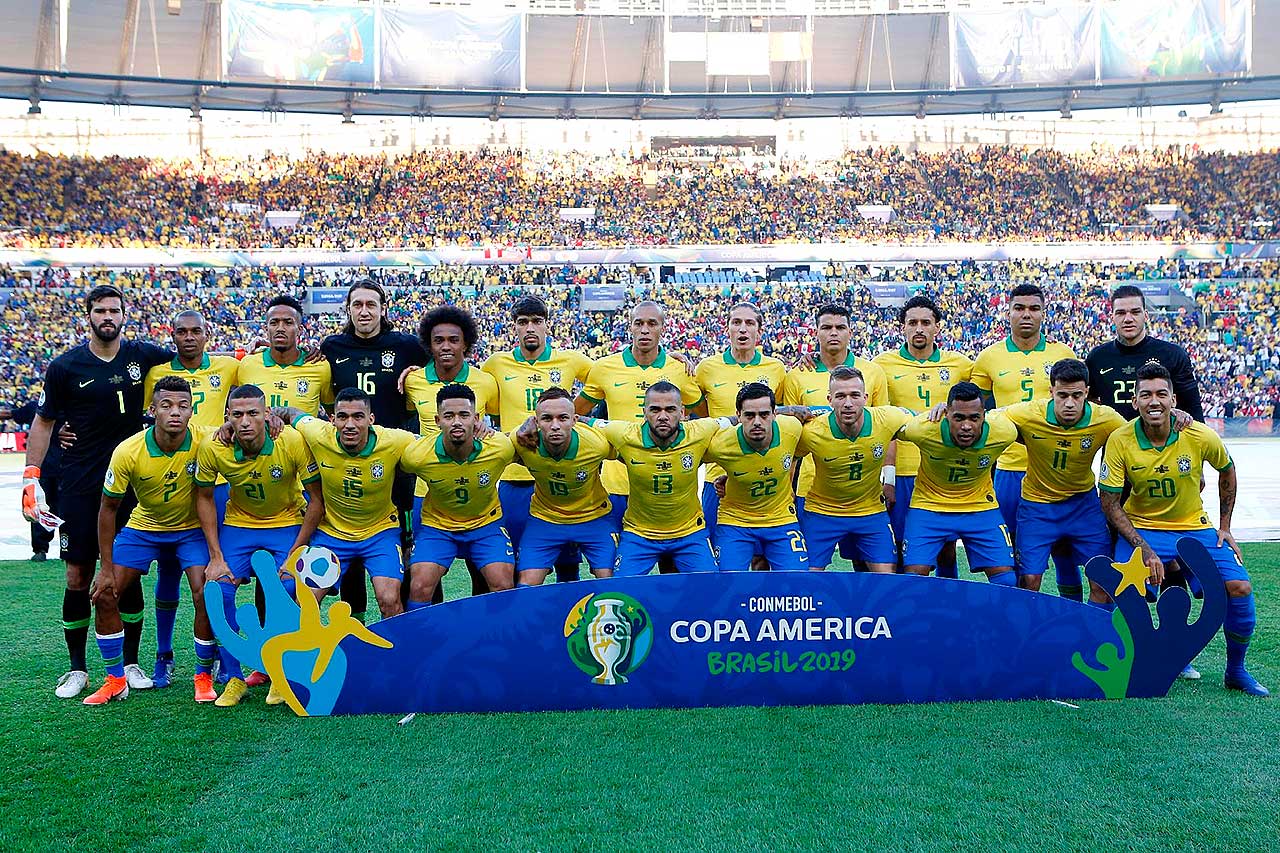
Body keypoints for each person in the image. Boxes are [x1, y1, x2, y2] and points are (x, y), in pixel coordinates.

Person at [22, 284, 173, 699]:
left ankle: (130, 662)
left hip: (131, 485)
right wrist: (30, 477)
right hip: (80, 484)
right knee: (77, 575)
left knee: (129, 572)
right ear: (88, 314)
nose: (108, 316)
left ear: (125, 314)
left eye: (115, 310)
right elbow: (45, 422)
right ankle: (77, 670)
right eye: (100, 310)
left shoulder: (143, 357)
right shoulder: (65, 366)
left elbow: (193, 359)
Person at [1099, 363, 1267, 696]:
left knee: (1240, 587)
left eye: (1161, 394)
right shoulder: (1120, 440)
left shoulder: (1200, 434)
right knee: (1126, 592)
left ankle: (1236, 671)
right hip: (1143, 530)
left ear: (1174, 399)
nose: (1154, 401)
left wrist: (1225, 526)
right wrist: (1143, 548)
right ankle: (1129, 663)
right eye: (1145, 395)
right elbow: (1110, 503)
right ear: (1134, 402)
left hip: (1195, 528)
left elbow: (1227, 470)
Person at [83, 377, 215, 705]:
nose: (175, 412)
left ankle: (202, 675)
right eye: (167, 406)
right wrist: (106, 567)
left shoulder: (206, 442)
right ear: (152, 410)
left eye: (183, 406)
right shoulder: (129, 451)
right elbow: (108, 509)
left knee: (205, 591)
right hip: (144, 528)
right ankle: (115, 679)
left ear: (191, 411)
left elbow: (239, 435)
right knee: (106, 593)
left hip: (190, 530)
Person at [196, 384, 324, 708]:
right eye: (237, 415)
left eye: (253, 413)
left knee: (286, 587)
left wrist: (296, 553)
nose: (245, 421)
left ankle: (281, 673)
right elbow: (204, 497)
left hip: (285, 524)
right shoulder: (214, 447)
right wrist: (215, 556)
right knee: (217, 589)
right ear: (227, 418)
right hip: (239, 527)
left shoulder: (291, 440)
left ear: (267, 415)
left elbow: (317, 501)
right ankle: (232, 677)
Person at [141, 309, 240, 687]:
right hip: (176, 482)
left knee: (214, 570)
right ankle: (164, 654)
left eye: (195, 331)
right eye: (181, 332)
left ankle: (213, 651)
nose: (188, 337)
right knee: (169, 570)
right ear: (172, 335)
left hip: (216, 484)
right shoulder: (156, 375)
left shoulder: (231, 367)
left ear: (207, 335)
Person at [320, 280, 427, 624]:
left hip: (396, 459)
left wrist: (418, 372)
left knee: (405, 545)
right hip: (350, 456)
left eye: (371, 304)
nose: (364, 311)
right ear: (348, 310)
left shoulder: (407, 345)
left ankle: (410, 622)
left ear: (383, 308)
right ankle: (353, 623)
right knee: (351, 542)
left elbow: (438, 374)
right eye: (357, 305)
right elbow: (327, 401)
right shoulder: (332, 346)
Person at [970, 284, 1078, 595]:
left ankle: (1070, 620)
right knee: (1014, 554)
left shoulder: (1063, 354)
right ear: (1009, 312)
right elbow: (977, 410)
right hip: (1010, 470)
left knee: (1064, 553)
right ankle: (1019, 620)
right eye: (1019, 308)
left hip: (1056, 471)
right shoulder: (990, 357)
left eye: (1033, 308)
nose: (1026, 314)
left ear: (1044, 313)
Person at [275, 388, 418, 620]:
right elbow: (292, 413)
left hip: (380, 533)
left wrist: (482, 433)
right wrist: (273, 416)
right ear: (332, 420)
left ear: (371, 419)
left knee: (389, 600)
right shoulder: (318, 433)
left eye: (358, 417)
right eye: (342, 417)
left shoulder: (395, 440)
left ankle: (397, 654)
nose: (349, 424)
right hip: (332, 533)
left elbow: (431, 445)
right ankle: (311, 654)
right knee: (305, 600)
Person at [995, 359, 1129, 602]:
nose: (1070, 403)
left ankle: (1093, 635)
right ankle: (1026, 635)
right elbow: (985, 419)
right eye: (1062, 395)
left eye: (1077, 396)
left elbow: (1139, 433)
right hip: (1037, 507)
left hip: (1083, 506)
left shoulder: (1106, 419)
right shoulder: (1027, 414)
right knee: (1029, 582)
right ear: (1051, 392)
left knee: (1102, 582)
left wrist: (1173, 414)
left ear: (1087, 392)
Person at [482, 296, 592, 582]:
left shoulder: (569, 359)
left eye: (536, 322)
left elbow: (609, 377)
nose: (530, 328)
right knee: (521, 563)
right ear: (514, 328)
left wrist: (577, 414)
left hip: (560, 474)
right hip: (515, 477)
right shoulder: (496, 363)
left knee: (568, 567)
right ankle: (526, 624)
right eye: (523, 322)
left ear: (547, 326)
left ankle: (567, 623)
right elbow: (470, 388)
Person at [576, 301, 704, 537]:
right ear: (630, 328)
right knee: (616, 563)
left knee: (670, 561)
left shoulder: (679, 370)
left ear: (662, 328)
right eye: (639, 323)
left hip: (668, 481)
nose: (645, 329)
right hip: (617, 482)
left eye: (652, 323)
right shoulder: (605, 367)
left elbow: (705, 415)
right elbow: (575, 414)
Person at [783, 302, 889, 567]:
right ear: (816, 332)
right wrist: (787, 488)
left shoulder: (872, 372)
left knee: (866, 565)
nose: (833, 333)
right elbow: (790, 437)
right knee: (809, 568)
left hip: (864, 490)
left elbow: (887, 428)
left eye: (840, 327)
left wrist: (890, 478)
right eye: (826, 327)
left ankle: (864, 610)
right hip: (813, 488)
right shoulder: (797, 375)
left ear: (850, 332)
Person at [873, 295, 973, 575]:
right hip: (903, 470)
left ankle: (947, 609)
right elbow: (881, 421)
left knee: (946, 547)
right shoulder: (881, 365)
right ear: (902, 328)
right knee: (905, 548)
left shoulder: (960, 365)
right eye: (912, 322)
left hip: (943, 468)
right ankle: (910, 608)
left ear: (937, 328)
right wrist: (887, 476)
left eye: (925, 323)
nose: (919, 328)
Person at [403, 305, 499, 597]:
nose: (446, 346)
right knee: (427, 574)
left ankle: (483, 632)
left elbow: (494, 424)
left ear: (466, 344)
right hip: (427, 490)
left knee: (482, 571)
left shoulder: (485, 381)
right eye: (438, 340)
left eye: (454, 340)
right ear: (429, 344)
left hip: (476, 486)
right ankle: (433, 633)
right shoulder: (413, 381)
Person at [401, 384, 516, 607]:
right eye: (449, 416)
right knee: (419, 586)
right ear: (437, 421)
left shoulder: (499, 448)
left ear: (476, 418)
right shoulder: (416, 456)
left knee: (502, 584)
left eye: (464, 415)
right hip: (438, 527)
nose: (456, 422)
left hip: (486, 524)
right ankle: (421, 639)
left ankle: (498, 638)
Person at [588, 381, 719, 575]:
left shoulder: (701, 431)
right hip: (639, 534)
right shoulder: (625, 434)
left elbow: (737, 420)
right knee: (620, 591)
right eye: (655, 410)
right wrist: (533, 424)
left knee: (711, 588)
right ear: (644, 412)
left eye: (670, 409)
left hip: (690, 533)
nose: (663, 416)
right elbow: (580, 421)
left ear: (682, 412)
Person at [897, 382, 1018, 584]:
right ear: (946, 414)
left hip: (980, 506)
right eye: (959, 418)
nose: (966, 426)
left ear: (984, 415)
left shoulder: (1004, 432)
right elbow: (893, 423)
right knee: (913, 580)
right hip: (928, 505)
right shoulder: (922, 429)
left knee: (1006, 581)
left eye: (974, 418)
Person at [794, 367, 908, 573]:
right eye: (840, 396)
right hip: (822, 512)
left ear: (865, 398)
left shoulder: (887, 419)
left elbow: (925, 424)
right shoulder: (811, 431)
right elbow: (788, 454)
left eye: (855, 395)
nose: (848, 403)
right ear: (829, 400)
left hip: (870, 511)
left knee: (887, 577)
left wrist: (943, 409)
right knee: (806, 578)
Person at [695, 303, 788, 552]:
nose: (742, 329)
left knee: (763, 558)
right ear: (727, 329)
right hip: (718, 475)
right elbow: (700, 412)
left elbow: (778, 416)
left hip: (764, 475)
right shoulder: (706, 368)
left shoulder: (776, 368)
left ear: (760, 331)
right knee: (719, 555)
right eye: (736, 323)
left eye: (749, 323)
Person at [510, 388, 617, 586]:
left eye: (563, 418)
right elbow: (488, 448)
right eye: (547, 419)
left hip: (594, 517)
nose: (555, 425)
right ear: (536, 421)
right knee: (525, 586)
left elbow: (632, 449)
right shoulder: (522, 442)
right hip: (545, 518)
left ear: (575, 420)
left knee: (611, 580)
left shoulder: (597, 444)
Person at [704, 383, 807, 572]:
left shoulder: (792, 428)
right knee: (728, 582)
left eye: (764, 414)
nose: (757, 421)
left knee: (797, 580)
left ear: (775, 414)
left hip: (781, 519)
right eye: (749, 415)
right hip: (735, 522)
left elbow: (802, 450)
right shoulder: (720, 444)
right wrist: (730, 474)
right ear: (738, 415)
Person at [1085, 285, 1204, 422]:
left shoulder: (1172, 355)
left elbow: (1193, 408)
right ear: (1112, 317)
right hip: (1115, 441)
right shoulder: (1097, 357)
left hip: (1161, 441)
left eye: (1135, 312)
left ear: (1146, 316)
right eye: (1121, 313)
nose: (1128, 319)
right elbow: (1088, 402)